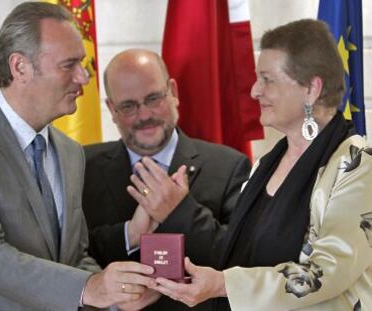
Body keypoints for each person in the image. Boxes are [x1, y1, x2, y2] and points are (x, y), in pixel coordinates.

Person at [131, 19, 372, 310]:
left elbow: (327, 270)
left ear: (311, 89)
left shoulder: (359, 164)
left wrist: (223, 285)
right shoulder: (265, 165)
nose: (254, 91)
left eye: (267, 79)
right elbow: (242, 255)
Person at [0, 3, 156, 310]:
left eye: (82, 63)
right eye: (69, 65)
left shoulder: (70, 152)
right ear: (20, 67)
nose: (84, 77)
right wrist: (91, 288)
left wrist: (116, 296)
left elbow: (73, 256)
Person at [82, 49, 251, 310]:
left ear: (173, 92)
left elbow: (244, 259)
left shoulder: (228, 166)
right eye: (128, 106)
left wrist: (179, 212)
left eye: (153, 98)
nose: (144, 115)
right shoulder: (82, 167)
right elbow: (67, 254)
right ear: (111, 109)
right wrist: (130, 235)